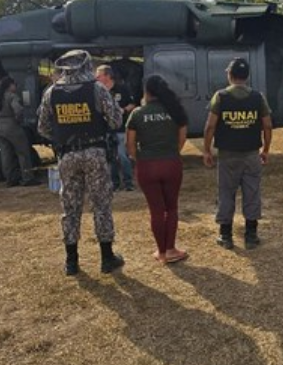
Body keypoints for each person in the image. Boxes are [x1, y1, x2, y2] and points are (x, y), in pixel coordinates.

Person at [37, 50, 125, 276]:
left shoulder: (51, 92)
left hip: (66, 155)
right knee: (101, 204)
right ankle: (107, 259)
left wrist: (64, 135)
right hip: (95, 152)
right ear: (86, 65)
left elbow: (43, 127)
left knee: (70, 207)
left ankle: (72, 262)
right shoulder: (97, 89)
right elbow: (116, 120)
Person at [202, 58, 273, 250]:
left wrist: (207, 150)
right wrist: (266, 149)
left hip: (228, 155)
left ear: (230, 75)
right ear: (247, 76)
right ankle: (251, 235)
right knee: (252, 193)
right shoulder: (258, 97)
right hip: (251, 154)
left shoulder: (220, 96)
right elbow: (267, 125)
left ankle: (226, 235)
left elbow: (210, 126)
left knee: (226, 193)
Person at [126, 75, 189, 264]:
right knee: (172, 207)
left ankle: (161, 252)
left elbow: (129, 145)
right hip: (171, 163)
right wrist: (171, 153)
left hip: (147, 165)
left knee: (156, 210)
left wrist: (142, 159)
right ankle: (171, 249)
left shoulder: (137, 114)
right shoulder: (176, 111)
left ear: (146, 92)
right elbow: (182, 139)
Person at [0, 77, 40, 187]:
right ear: (9, 86)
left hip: (0, 127)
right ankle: (27, 178)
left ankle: (10, 179)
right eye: (14, 85)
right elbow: (18, 110)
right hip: (12, 127)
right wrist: (19, 120)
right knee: (23, 153)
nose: (15, 87)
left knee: (6, 155)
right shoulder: (12, 97)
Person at [96, 64, 136, 192]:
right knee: (110, 157)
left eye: (99, 75)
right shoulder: (98, 91)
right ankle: (114, 183)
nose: (96, 78)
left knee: (122, 155)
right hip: (105, 129)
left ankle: (128, 182)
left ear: (107, 76)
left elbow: (132, 104)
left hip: (121, 128)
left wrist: (123, 110)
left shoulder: (122, 88)